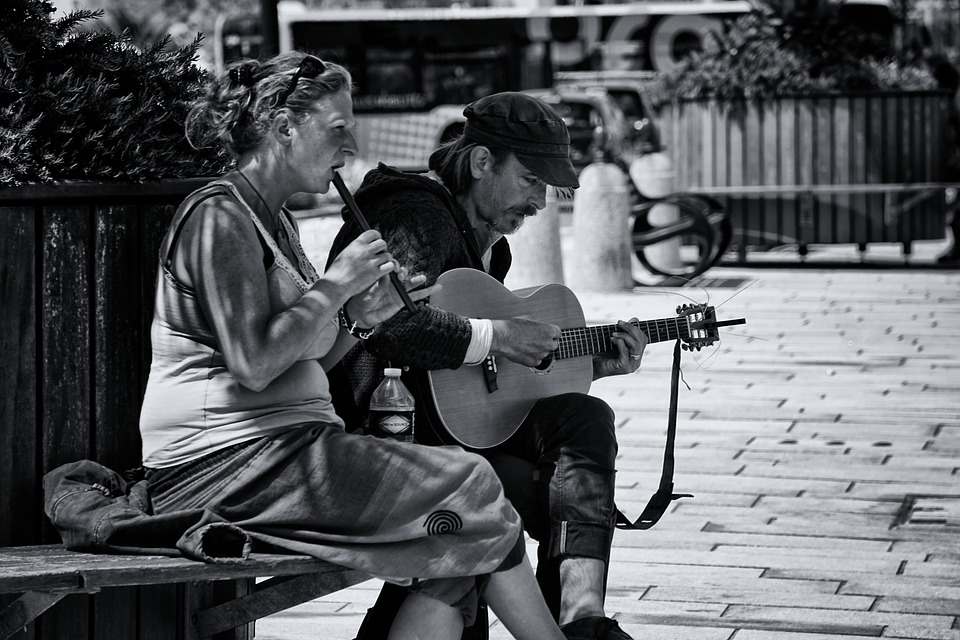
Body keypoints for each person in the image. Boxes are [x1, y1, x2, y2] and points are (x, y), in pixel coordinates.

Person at [137, 53, 571, 640]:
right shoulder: (220, 218)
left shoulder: (275, 222)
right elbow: (254, 363)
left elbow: (309, 357)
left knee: (463, 544)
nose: (350, 148)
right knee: (472, 486)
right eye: (338, 129)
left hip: (284, 450)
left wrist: (361, 319)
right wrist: (336, 285)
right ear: (284, 127)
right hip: (223, 463)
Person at [326, 92, 649, 640]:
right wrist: (498, 336)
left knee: (584, 419)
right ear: (481, 163)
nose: (541, 203)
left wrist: (591, 365)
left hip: (448, 428)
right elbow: (395, 328)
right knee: (523, 497)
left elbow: (483, 382)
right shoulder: (413, 214)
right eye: (531, 181)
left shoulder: (489, 245)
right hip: (387, 432)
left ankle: (581, 617)